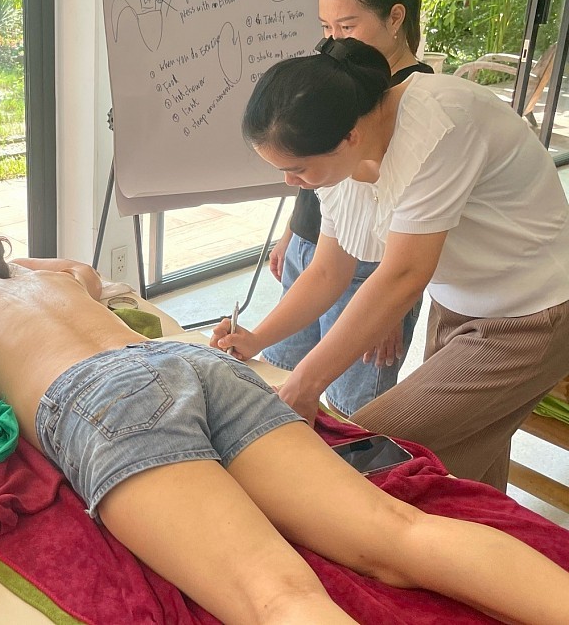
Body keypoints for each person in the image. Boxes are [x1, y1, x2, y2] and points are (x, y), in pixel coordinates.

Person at [0, 233, 569, 625]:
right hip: (191, 364)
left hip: (101, 400)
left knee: (274, 597)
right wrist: (7, 257)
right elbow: (85, 272)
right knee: (397, 534)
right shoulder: (53, 278)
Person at [213, 36, 569, 492]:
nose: (289, 181)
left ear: (349, 137)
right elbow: (327, 271)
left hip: (534, 312)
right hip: (458, 303)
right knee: (468, 465)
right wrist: (257, 337)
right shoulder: (341, 146)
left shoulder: (439, 126)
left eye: (297, 169)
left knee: (372, 449)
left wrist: (305, 384)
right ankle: (483, 533)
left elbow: (403, 275)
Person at [265, 0, 433, 418]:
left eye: (347, 26)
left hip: (368, 270)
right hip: (316, 243)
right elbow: (312, 165)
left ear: (395, 17)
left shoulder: (417, 103)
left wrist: (388, 307)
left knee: (351, 411)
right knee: (282, 373)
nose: (334, 41)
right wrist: (292, 232)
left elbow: (412, 226)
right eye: (326, 28)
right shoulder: (338, 79)